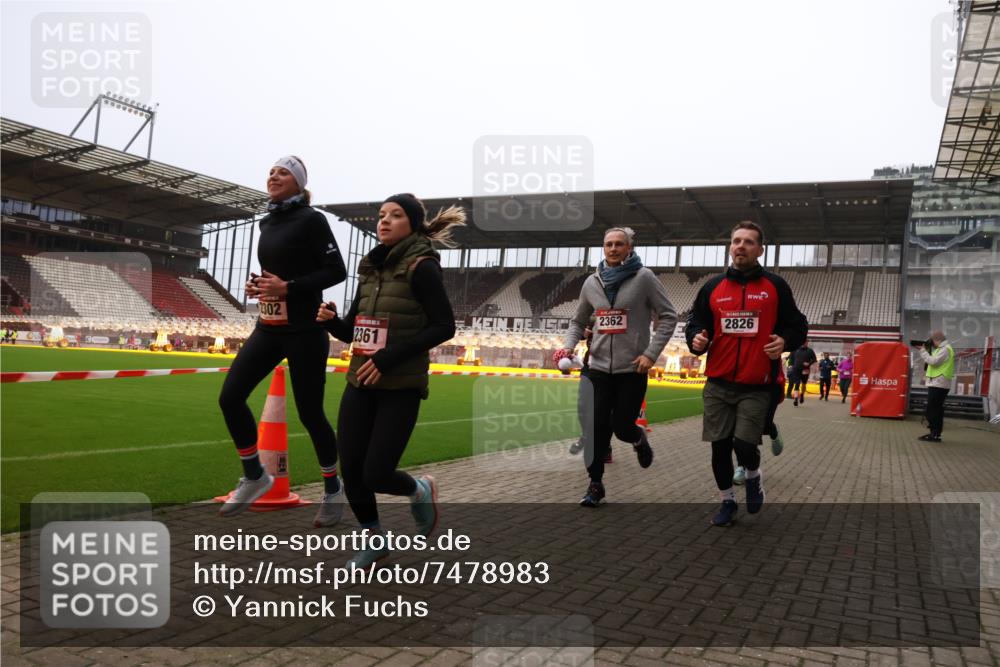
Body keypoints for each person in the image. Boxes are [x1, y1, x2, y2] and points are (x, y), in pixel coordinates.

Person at [317, 193, 462, 568]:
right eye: (381, 215)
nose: (384, 221)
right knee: (352, 472)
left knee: (376, 473)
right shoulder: (369, 269)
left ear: (412, 224)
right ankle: (374, 538)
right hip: (360, 383)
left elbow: (444, 326)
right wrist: (332, 321)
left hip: (400, 386)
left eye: (395, 216)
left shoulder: (422, 266)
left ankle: (419, 490)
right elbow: (354, 331)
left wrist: (388, 357)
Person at [218, 156, 347, 525]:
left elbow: (335, 270)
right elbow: (279, 272)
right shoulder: (268, 221)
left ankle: (333, 490)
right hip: (269, 327)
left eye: (284, 172)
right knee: (230, 398)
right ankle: (256, 476)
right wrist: (259, 285)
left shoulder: (312, 219)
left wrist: (288, 287)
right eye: (272, 170)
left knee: (310, 414)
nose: (274, 175)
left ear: (299, 183)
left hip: (305, 332)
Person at [687, 220, 807, 527]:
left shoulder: (775, 287)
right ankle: (727, 502)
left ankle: (753, 476)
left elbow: (797, 325)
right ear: (730, 246)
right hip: (717, 382)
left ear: (760, 250)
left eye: (748, 242)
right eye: (736, 241)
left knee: (744, 444)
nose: (741, 246)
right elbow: (696, 323)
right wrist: (696, 338)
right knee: (719, 448)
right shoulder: (712, 287)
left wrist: (785, 341)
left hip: (757, 384)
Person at [560, 226, 677, 507]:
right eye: (608, 244)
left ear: (629, 248)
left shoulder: (644, 278)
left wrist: (650, 354)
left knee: (622, 426)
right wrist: (568, 345)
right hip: (597, 367)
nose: (613, 248)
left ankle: (637, 439)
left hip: (632, 369)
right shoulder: (591, 283)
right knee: (595, 426)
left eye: (619, 244)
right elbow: (578, 321)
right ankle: (595, 483)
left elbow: (669, 316)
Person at [916, 330, 954, 442]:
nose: (931, 343)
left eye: (931, 341)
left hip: (939, 383)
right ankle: (934, 433)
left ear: (937, 340)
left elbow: (933, 362)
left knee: (934, 409)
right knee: (935, 409)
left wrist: (923, 351)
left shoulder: (945, 349)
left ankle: (935, 434)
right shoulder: (941, 349)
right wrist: (926, 351)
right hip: (938, 383)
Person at [791, 340, 816, 406]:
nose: (805, 343)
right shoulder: (795, 350)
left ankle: (802, 394)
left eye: (806, 342)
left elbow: (814, 360)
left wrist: (809, 363)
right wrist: (791, 366)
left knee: (803, 384)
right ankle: (796, 399)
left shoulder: (810, 351)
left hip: (805, 370)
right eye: (804, 342)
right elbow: (792, 358)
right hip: (796, 369)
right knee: (797, 383)